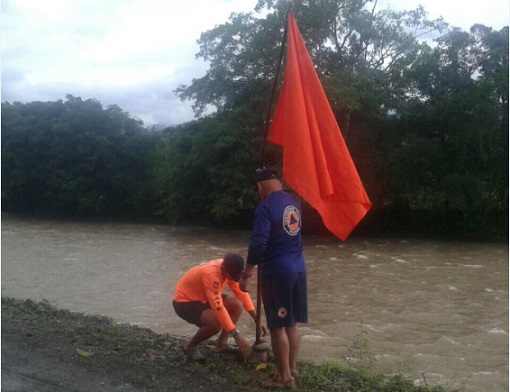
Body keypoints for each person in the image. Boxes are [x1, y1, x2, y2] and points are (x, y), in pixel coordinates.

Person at [239, 167, 307, 390]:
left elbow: (258, 243)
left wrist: (246, 274)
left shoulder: (264, 207)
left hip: (277, 271)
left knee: (277, 326)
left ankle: (284, 378)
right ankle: (291, 368)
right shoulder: (293, 202)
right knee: (291, 323)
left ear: (260, 186)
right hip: (298, 268)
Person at [172, 253, 265, 361]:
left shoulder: (230, 268)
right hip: (184, 301)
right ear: (224, 269)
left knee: (237, 305)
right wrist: (236, 335)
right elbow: (218, 308)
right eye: (232, 277)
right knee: (215, 325)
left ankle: (221, 344)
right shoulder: (211, 274)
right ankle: (189, 346)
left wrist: (256, 319)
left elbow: (241, 293)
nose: (234, 279)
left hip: (203, 296)